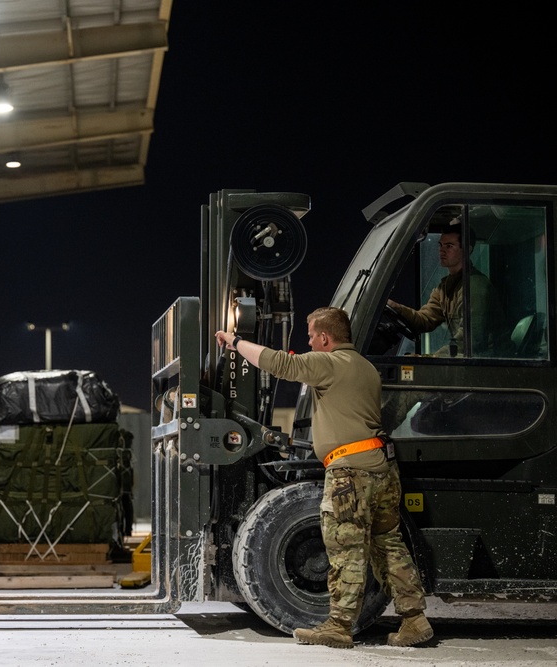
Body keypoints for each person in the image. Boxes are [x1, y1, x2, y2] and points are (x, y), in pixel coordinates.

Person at [216, 307, 433, 649]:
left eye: (311, 337)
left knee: (346, 549)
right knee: (387, 545)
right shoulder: (365, 368)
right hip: (382, 469)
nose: (308, 342)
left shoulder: (330, 363)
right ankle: (415, 619)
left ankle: (339, 627)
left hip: (351, 473)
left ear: (325, 338)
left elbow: (281, 365)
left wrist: (235, 342)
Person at [387, 226, 505, 357]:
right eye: (441, 245)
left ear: (467, 250)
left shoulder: (475, 287)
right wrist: (396, 307)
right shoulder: (445, 286)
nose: (442, 251)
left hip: (486, 361)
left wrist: (430, 358)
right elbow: (425, 319)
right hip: (468, 359)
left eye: (449, 246)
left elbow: (469, 340)